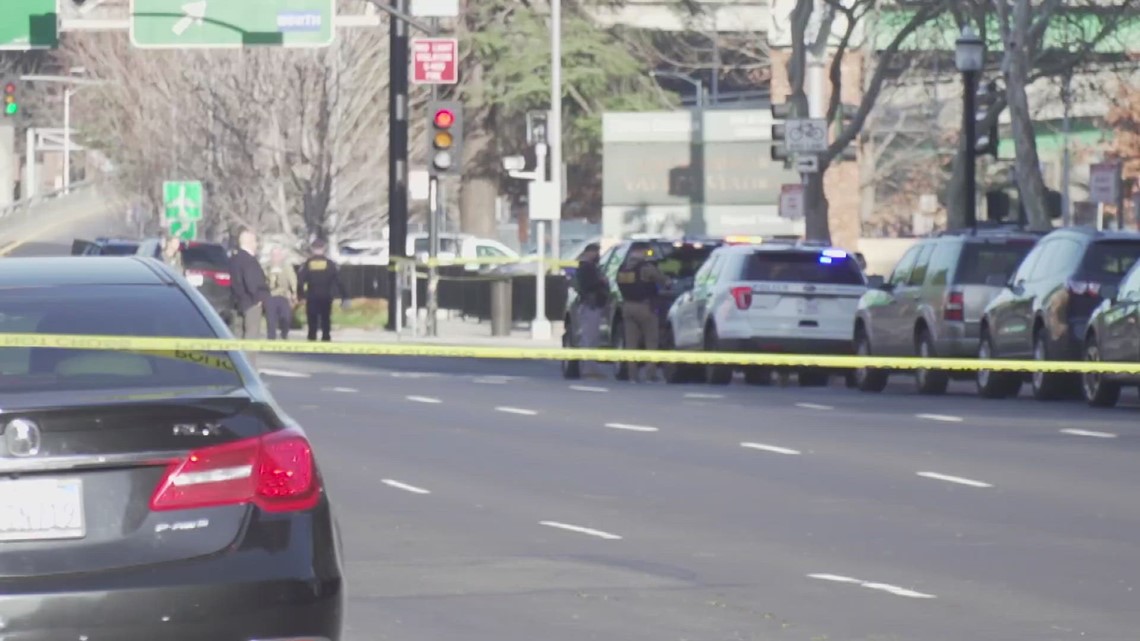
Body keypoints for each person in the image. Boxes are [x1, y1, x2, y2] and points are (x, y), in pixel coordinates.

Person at [615, 245, 670, 382]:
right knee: (651, 341)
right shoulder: (646, 268)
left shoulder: (623, 268)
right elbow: (663, 280)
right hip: (645, 308)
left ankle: (632, 375)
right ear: (640, 252)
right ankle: (650, 374)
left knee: (631, 343)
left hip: (627, 307)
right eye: (645, 252)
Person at [297, 238, 348, 342]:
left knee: (312, 320)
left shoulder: (307, 264)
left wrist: (300, 295)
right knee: (326, 319)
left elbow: (300, 281)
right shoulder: (330, 264)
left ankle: (312, 339)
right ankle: (326, 338)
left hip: (312, 297)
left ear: (312, 249)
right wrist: (344, 296)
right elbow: (339, 281)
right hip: (326, 296)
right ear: (324, 249)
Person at [229, 229, 270, 353]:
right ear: (250, 242)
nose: (256, 245)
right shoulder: (249, 261)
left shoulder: (233, 260)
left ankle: (238, 368)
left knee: (237, 337)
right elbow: (252, 282)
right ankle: (249, 369)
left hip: (237, 302)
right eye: (255, 241)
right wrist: (259, 298)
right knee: (251, 339)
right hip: (251, 303)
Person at [574, 243, 608, 378]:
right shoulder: (586, 267)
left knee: (592, 338)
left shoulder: (588, 267)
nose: (597, 255)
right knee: (589, 338)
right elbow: (588, 285)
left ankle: (591, 368)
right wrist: (602, 281)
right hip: (590, 305)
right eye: (596, 252)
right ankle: (588, 369)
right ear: (589, 252)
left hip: (592, 305)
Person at [265, 246, 298, 340]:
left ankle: (284, 334)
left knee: (286, 318)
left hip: (284, 296)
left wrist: (294, 292)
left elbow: (293, 279)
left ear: (281, 256)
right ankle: (271, 339)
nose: (276, 257)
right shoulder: (267, 267)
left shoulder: (287, 267)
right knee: (271, 320)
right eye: (274, 255)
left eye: (278, 255)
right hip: (271, 296)